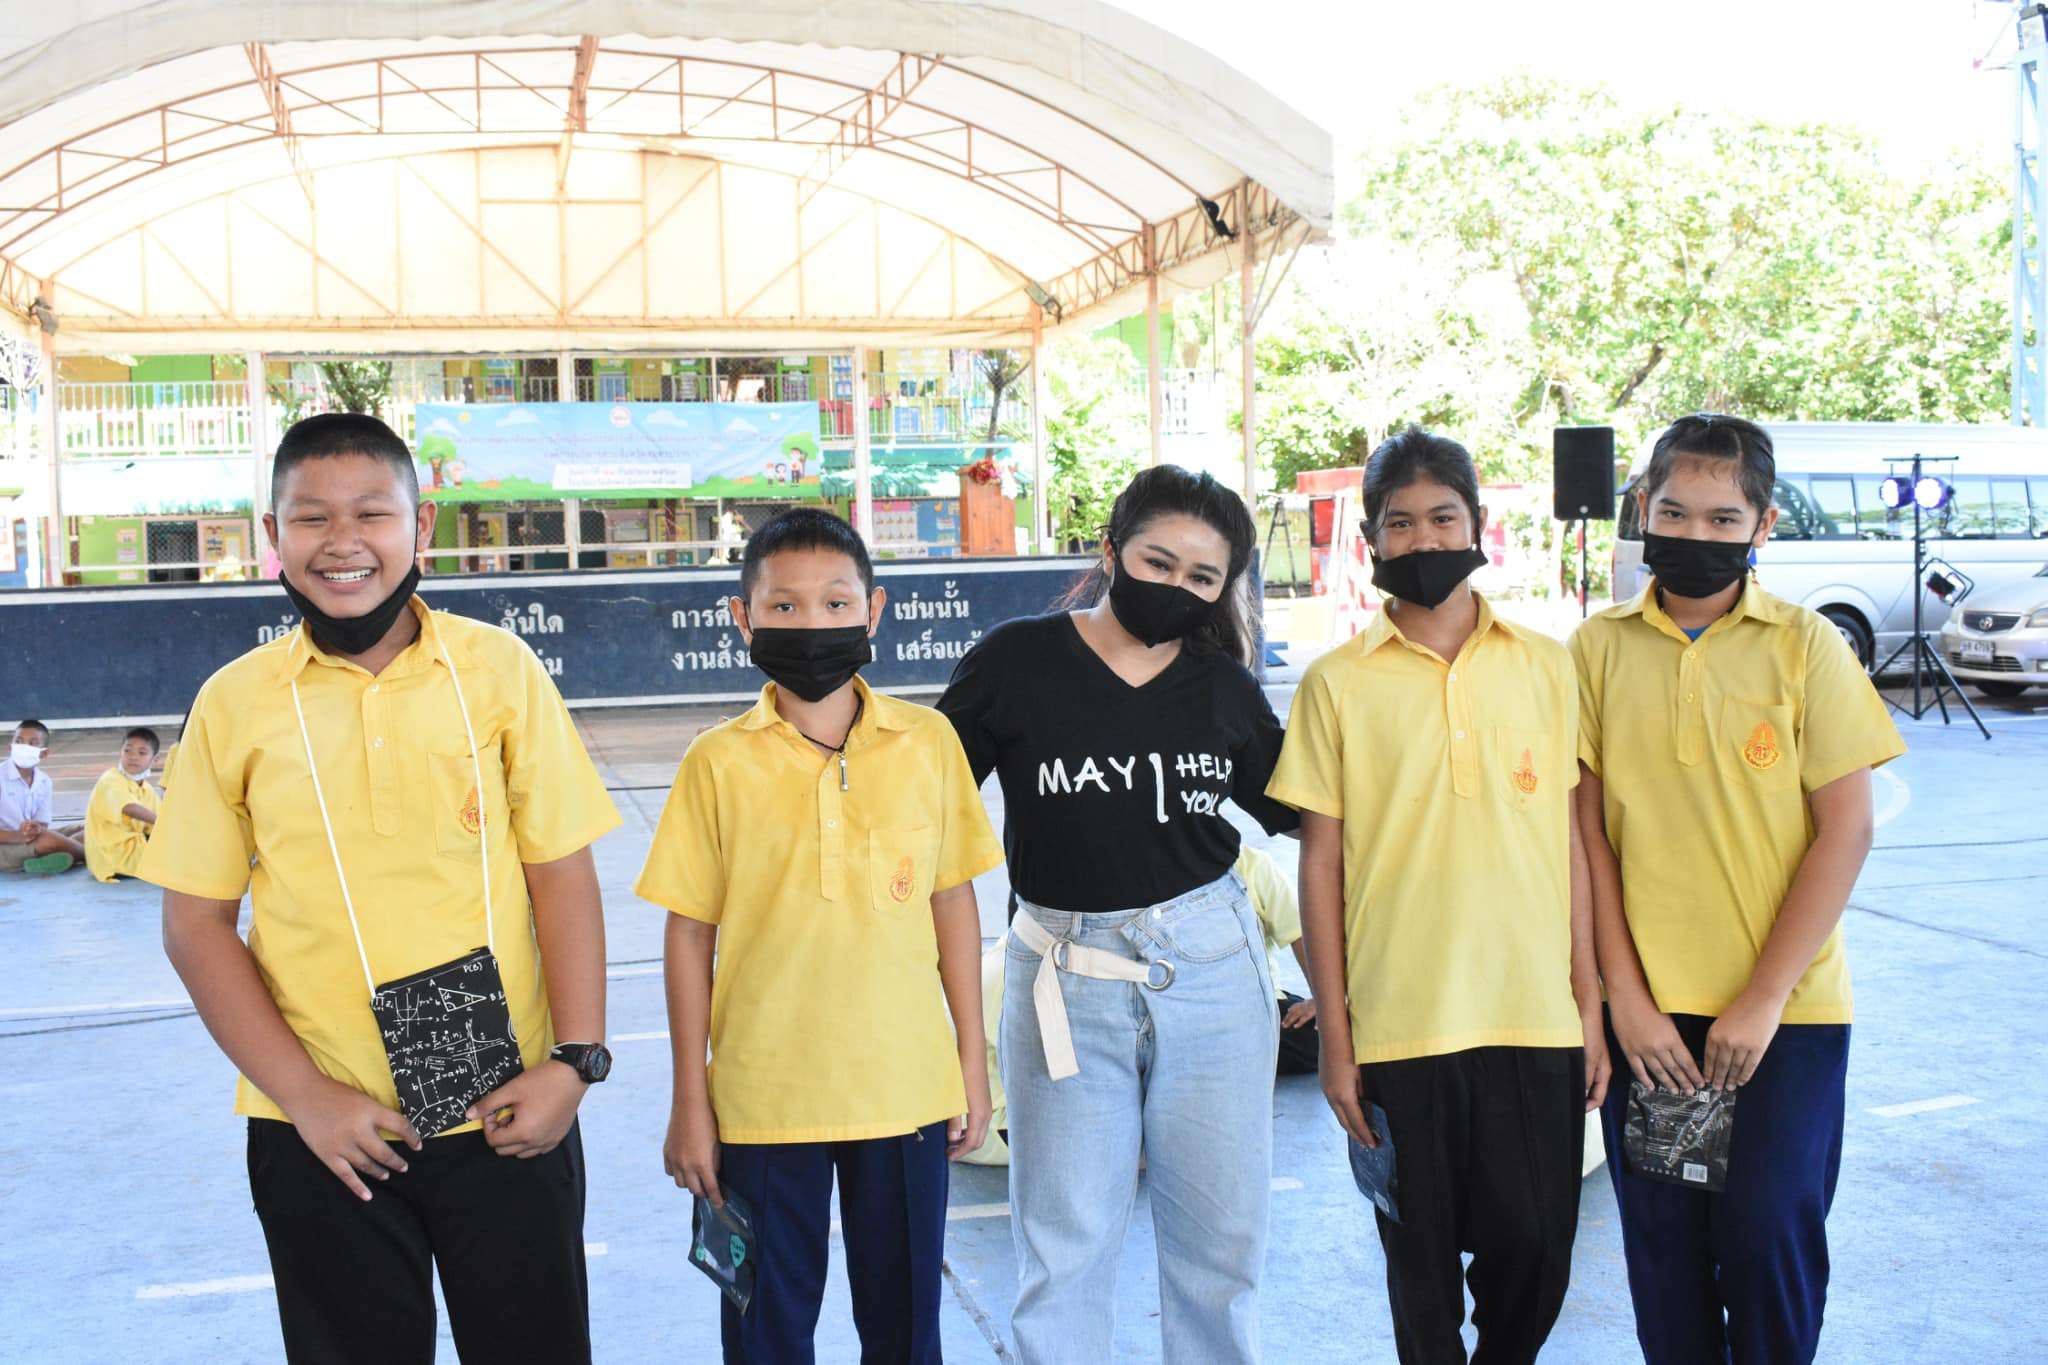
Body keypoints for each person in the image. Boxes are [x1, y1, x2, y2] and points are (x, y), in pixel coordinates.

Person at [142, 412, 622, 1365]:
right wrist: (306, 1096)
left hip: (507, 1108)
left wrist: (574, 1061)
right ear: (272, 536)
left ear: (422, 525)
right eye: (311, 517)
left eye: (371, 512)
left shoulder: (499, 671)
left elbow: (561, 873)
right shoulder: (233, 702)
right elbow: (195, 924)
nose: (343, 540)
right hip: (323, 1133)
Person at [938, 464, 1299, 1365]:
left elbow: (1305, 807)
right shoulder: (1015, 661)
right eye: (1158, 561)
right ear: (1110, 550)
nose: (1177, 586)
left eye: (1202, 576)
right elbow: (925, 804)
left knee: (1221, 1247)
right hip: (1062, 977)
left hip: (1212, 968)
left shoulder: (1223, 685)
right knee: (1063, 1246)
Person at [1268, 426, 1607, 1365]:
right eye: (1401, 522)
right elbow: (1320, 868)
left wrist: (1588, 999)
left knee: (1537, 1252)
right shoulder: (1335, 684)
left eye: (1443, 517)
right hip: (1399, 1028)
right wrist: (1338, 1039)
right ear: (1371, 540)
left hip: (1534, 1017)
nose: (1424, 539)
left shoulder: (1547, 664)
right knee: (1418, 1274)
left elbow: (1575, 841)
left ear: (1479, 523)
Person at [1571, 414, 1904, 1364]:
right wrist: (1624, 1000)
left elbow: (1846, 829)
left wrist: (1762, 998)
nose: (1697, 534)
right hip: (1653, 1025)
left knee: (1767, 1244)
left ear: (1763, 525)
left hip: (1785, 1018)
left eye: (1724, 519)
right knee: (1665, 1260)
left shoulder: (1806, 646)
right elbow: (1584, 837)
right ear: (1643, 509)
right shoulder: (1594, 649)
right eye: (1675, 511)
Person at [643, 507, 1003, 1365]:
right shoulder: (715, 762)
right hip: (762, 1102)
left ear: (873, 611)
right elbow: (689, 935)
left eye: (837, 603)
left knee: (906, 1331)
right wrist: (691, 1100)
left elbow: (952, 902)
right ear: (743, 618)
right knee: (764, 1334)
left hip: (905, 1093)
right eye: (785, 605)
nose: (813, 623)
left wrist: (970, 1062)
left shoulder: (929, 742)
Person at [960, 841, 1318, 1167]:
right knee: (1157, 1122)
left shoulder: (1252, 868)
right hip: (992, 1125)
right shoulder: (1033, 980)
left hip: (1236, 1002)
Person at [0, 719, 86, 875]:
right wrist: (18, 837)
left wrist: (35, 828)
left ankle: (56, 855)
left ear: (44, 753)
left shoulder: (44, 781)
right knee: (48, 840)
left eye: (32, 743)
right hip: (5, 845)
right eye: (19, 742)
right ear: (10, 747)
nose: (24, 747)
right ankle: (90, 856)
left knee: (87, 828)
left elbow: (42, 824)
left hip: (30, 839)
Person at [85, 726, 161, 882]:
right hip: (113, 854)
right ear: (120, 753)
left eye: (142, 753)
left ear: (155, 760)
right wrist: (166, 822)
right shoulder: (110, 779)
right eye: (128, 751)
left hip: (134, 848)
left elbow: (156, 827)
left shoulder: (147, 790)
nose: (133, 757)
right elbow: (129, 808)